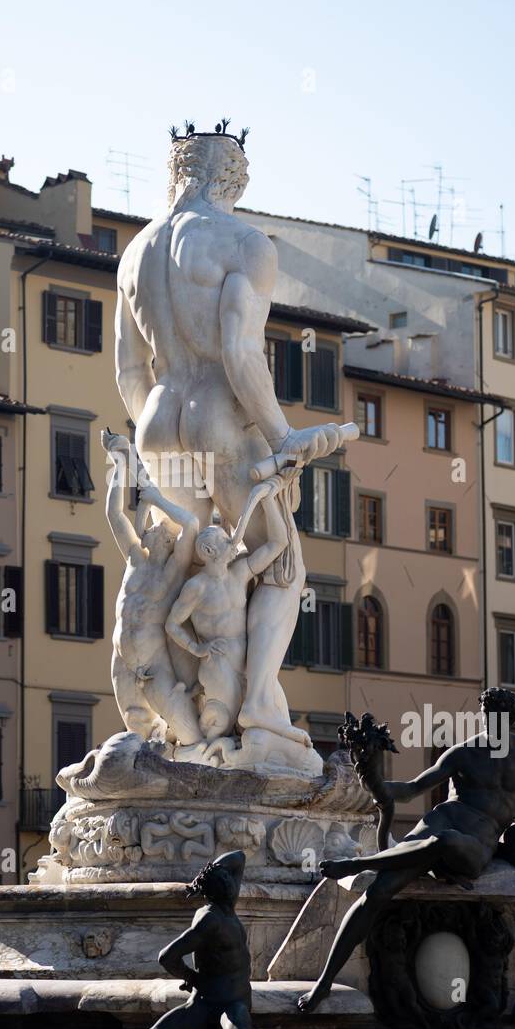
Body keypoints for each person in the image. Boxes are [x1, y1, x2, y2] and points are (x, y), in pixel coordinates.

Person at [115, 126, 350, 754]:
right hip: (221, 418)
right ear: (236, 180)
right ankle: (255, 708)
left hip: (159, 424)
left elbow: (129, 372)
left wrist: (152, 441)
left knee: (177, 568)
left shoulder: (135, 253)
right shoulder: (246, 244)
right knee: (282, 565)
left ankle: (181, 726)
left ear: (175, 174)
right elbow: (241, 355)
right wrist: (284, 437)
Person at [298, 687, 515, 1014]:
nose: (492, 726)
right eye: (487, 719)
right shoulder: (463, 753)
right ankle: (323, 984)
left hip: (477, 841)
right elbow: (410, 790)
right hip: (442, 819)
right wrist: (375, 782)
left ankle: (358, 863)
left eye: (498, 720)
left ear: (510, 720)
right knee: (377, 892)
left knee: (444, 843)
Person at [143, 850, 299, 1029]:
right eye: (224, 882)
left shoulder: (229, 903)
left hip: (233, 1003)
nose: (232, 883)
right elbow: (166, 957)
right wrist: (193, 978)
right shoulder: (209, 920)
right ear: (215, 893)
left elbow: (238, 857)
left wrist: (205, 876)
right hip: (204, 1005)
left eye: (228, 879)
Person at [165, 476, 289, 743]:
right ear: (209, 550)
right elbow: (172, 624)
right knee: (218, 727)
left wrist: (269, 500)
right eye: (225, 541)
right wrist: (195, 648)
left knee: (274, 719)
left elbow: (278, 544)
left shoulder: (240, 572)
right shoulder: (196, 587)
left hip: (248, 663)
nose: (233, 543)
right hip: (218, 666)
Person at [102, 429, 204, 747]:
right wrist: (119, 461)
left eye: (164, 531)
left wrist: (158, 500)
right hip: (122, 657)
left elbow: (192, 525)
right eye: (157, 527)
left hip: (152, 661)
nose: (158, 531)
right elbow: (113, 514)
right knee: (134, 732)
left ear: (170, 543)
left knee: (188, 733)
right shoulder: (135, 557)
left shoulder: (174, 571)